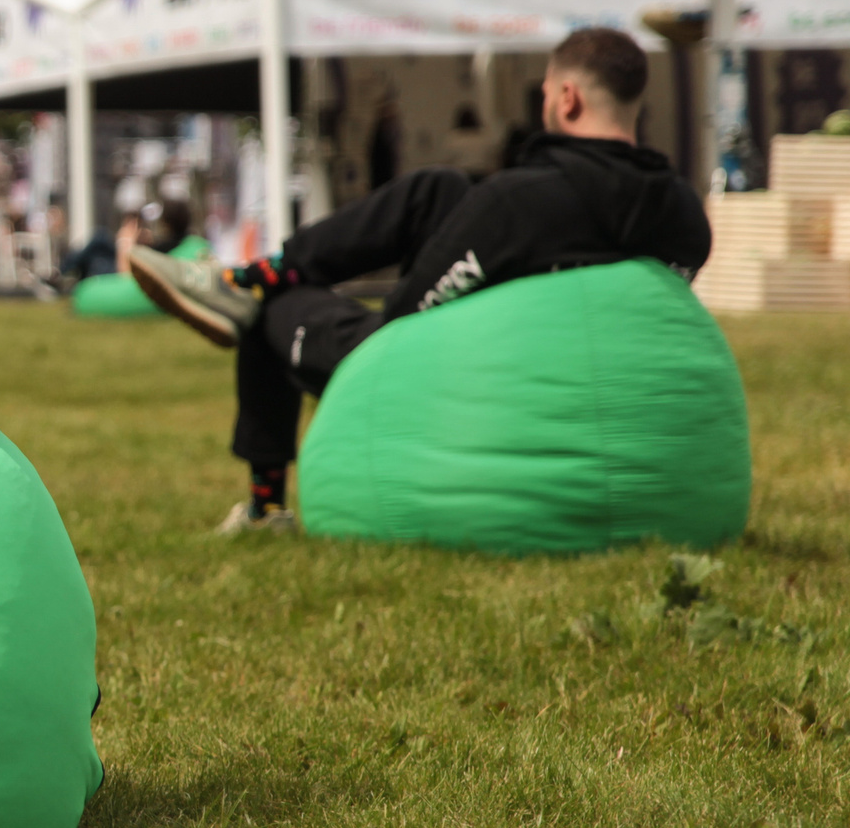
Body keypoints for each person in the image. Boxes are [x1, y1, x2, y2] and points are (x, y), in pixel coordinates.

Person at [127, 28, 712, 536]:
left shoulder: (522, 202)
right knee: (438, 192)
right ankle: (249, 278)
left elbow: (404, 322)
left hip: (469, 384)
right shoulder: (687, 219)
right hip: (595, 394)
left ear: (567, 98)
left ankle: (252, 302)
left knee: (274, 307)